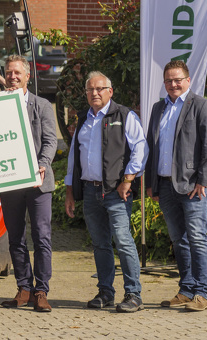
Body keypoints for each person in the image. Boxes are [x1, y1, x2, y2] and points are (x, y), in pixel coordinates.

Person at [64, 71, 147, 313]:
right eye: (90, 89)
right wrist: (70, 191)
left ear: (110, 91)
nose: (95, 93)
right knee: (100, 245)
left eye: (100, 89)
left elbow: (141, 149)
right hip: (90, 192)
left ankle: (134, 294)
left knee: (123, 241)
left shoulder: (124, 115)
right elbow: (73, 158)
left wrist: (128, 180)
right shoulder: (83, 119)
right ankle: (105, 293)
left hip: (116, 192)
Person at [145, 60, 207, 311]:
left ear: (188, 80)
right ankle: (186, 289)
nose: (173, 84)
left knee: (197, 238)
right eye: (169, 80)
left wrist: (203, 180)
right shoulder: (158, 108)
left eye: (178, 80)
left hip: (193, 186)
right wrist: (151, 184)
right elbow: (152, 148)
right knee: (179, 240)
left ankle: (202, 292)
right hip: (165, 186)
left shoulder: (201, 106)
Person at [0, 55, 57, 312]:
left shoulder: (41, 104)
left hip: (38, 183)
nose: (12, 76)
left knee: (41, 236)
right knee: (15, 237)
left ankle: (41, 290)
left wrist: (43, 163)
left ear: (27, 76)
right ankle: (24, 288)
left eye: (17, 73)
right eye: (9, 72)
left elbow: (51, 140)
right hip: (11, 182)